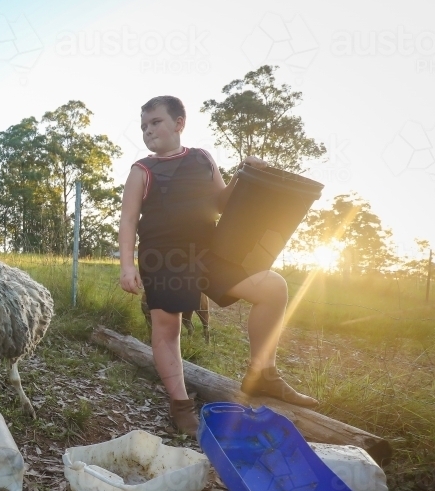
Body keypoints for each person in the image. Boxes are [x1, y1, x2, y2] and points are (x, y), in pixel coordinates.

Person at [117, 95, 317, 435]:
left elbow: (221, 203)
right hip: (163, 257)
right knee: (168, 329)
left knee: (273, 287)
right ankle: (181, 406)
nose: (148, 131)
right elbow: (128, 220)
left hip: (208, 252)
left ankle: (262, 375)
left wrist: (245, 172)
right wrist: (127, 265)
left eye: (156, 122)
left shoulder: (202, 158)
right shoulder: (142, 169)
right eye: (144, 126)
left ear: (179, 123)